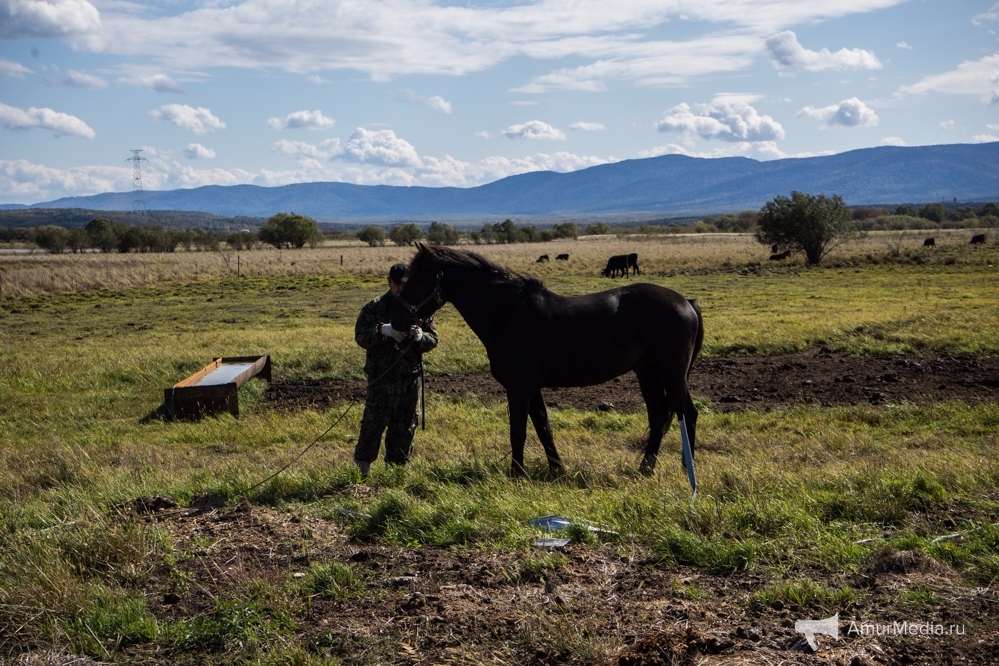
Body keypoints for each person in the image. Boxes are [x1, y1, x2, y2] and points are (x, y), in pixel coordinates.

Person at [353, 263, 439, 477]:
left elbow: (433, 339)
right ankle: (359, 476)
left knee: (405, 430)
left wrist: (420, 337)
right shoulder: (374, 308)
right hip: (382, 381)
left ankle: (395, 476)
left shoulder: (418, 307)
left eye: (405, 285)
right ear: (389, 282)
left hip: (409, 381)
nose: (401, 288)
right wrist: (382, 330)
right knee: (371, 428)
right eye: (397, 284)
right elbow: (360, 337)